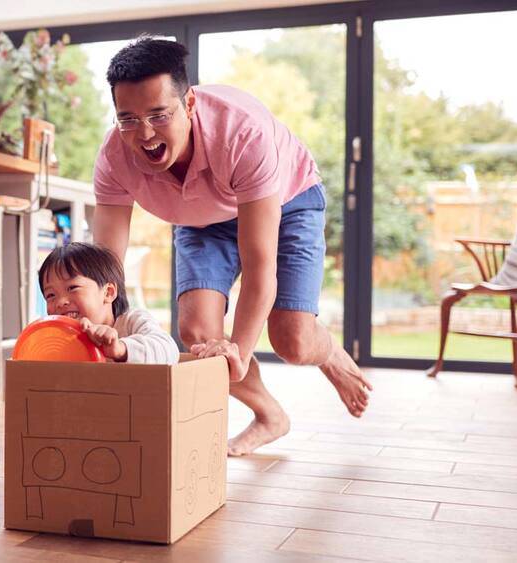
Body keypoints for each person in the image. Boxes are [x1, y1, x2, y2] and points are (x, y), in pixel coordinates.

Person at [92, 37, 373, 456]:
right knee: (199, 333)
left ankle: (328, 351)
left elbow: (259, 266)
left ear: (188, 105)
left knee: (292, 341)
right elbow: (106, 271)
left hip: (288, 199)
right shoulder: (115, 157)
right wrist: (102, 334)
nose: (145, 134)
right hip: (203, 219)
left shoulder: (242, 133)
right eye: (128, 119)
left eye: (158, 115)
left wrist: (239, 349)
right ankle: (269, 414)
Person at [38, 242, 180, 365]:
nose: (61, 302)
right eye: (50, 295)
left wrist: (121, 349)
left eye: (72, 288)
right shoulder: (56, 339)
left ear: (108, 293)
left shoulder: (131, 322)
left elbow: (170, 350)